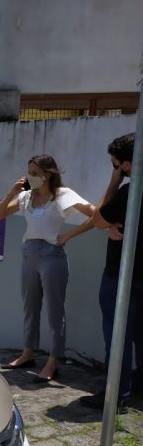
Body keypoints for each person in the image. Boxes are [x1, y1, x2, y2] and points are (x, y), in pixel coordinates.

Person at [0, 154, 94, 383]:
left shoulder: (62, 195)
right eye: (29, 172)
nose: (30, 176)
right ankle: (28, 352)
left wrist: (68, 235)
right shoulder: (27, 196)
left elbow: (95, 214)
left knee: (55, 310)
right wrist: (12, 192)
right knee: (30, 305)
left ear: (47, 174)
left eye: (34, 173)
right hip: (29, 253)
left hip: (52, 255)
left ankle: (53, 360)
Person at [81, 133, 142, 412]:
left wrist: (114, 182)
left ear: (127, 165)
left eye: (115, 165)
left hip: (122, 275)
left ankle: (115, 394)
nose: (114, 169)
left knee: (117, 335)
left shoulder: (130, 190)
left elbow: (97, 219)